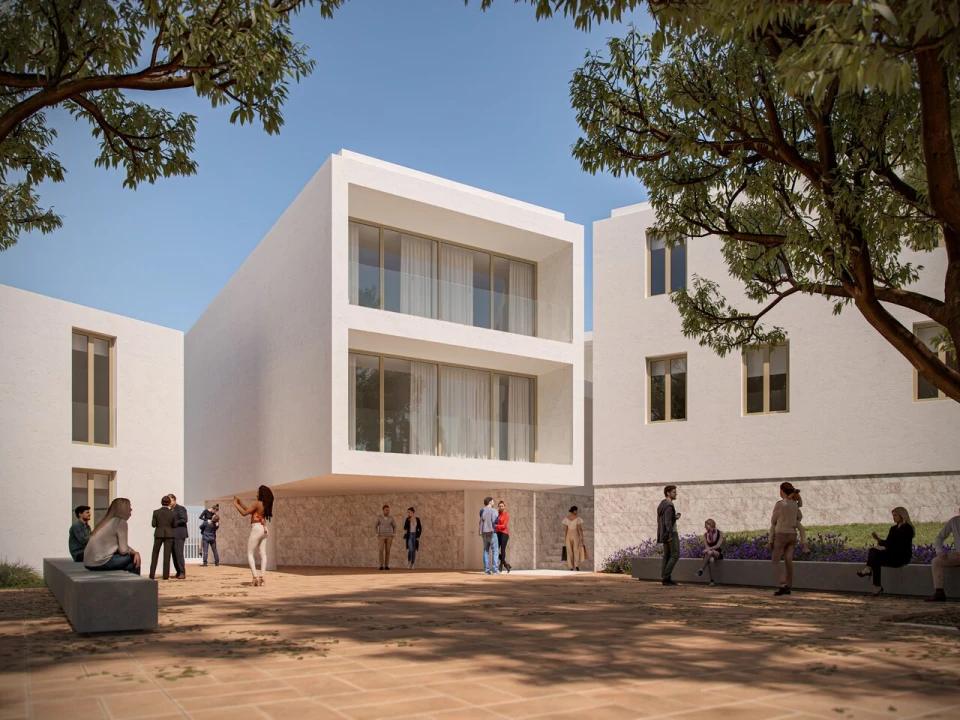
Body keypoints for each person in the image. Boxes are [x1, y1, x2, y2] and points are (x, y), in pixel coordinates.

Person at [856, 507, 914, 596]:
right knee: (874, 554)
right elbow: (888, 542)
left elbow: (901, 545)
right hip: (891, 554)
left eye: (895, 515)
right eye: (893, 515)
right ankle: (877, 585)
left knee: (875, 555)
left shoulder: (907, 528)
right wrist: (878, 539)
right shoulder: (893, 528)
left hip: (901, 556)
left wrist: (886, 548)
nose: (893, 517)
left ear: (902, 516)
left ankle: (868, 570)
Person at [767, 482, 809, 596]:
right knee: (788, 560)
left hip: (781, 534)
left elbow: (773, 520)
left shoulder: (780, 504)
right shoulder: (794, 504)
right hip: (792, 535)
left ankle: (783, 583)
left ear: (782, 491)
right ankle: (789, 586)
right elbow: (799, 517)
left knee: (775, 560)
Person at [83, 498, 141, 574]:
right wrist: (135, 553)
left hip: (88, 563)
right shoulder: (121, 522)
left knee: (129, 563)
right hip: (99, 563)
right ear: (123, 509)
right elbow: (123, 550)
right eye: (129, 507)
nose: (131, 509)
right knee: (133, 559)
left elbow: (122, 547)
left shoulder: (105, 522)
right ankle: (136, 584)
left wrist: (133, 551)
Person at [233, 485, 273, 586]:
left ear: (261, 494)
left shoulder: (257, 503)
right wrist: (240, 503)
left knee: (250, 553)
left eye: (258, 492)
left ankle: (255, 577)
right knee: (263, 554)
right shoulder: (265, 504)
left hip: (257, 528)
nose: (256, 494)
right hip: (264, 529)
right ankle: (262, 577)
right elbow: (250, 511)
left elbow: (244, 513)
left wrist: (235, 504)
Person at [927, 506, 960, 602]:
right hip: (956, 555)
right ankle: (939, 592)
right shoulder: (954, 521)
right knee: (936, 561)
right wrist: (939, 551)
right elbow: (939, 537)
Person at [657, 485, 681, 586]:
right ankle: (666, 577)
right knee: (675, 555)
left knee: (667, 555)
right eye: (674, 492)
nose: (676, 494)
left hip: (664, 533)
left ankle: (665, 577)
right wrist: (670, 534)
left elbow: (667, 518)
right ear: (668, 493)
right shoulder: (669, 505)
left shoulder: (662, 504)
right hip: (671, 533)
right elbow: (667, 521)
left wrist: (675, 517)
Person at [150, 495, 176, 580]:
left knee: (155, 554)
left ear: (161, 502)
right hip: (169, 534)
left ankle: (152, 574)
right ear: (169, 503)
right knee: (167, 555)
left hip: (158, 533)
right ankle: (165, 575)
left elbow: (153, 525)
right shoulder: (172, 513)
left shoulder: (156, 512)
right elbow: (174, 525)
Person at [168, 493, 189, 579]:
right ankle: (178, 572)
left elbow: (184, 519)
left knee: (179, 554)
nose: (169, 502)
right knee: (174, 554)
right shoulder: (170, 510)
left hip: (179, 534)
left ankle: (182, 572)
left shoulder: (180, 508)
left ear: (174, 500)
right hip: (172, 535)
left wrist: (174, 523)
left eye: (170, 500)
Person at [696, 519, 723, 586]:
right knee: (711, 559)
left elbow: (718, 545)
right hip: (709, 553)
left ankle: (701, 569)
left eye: (706, 525)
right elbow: (706, 546)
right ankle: (712, 580)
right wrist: (708, 550)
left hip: (717, 552)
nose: (705, 527)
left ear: (711, 525)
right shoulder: (705, 535)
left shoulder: (720, 533)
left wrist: (709, 550)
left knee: (711, 552)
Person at [479, 497, 500, 575]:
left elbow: (482, 520)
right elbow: (496, 521)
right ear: (490, 502)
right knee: (495, 551)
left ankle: (486, 570)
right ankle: (495, 569)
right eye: (493, 501)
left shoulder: (481, 510)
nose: (493, 502)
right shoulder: (494, 511)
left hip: (484, 532)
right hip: (492, 532)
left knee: (486, 550)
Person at [562, 506, 585, 571]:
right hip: (575, 534)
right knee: (576, 550)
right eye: (576, 511)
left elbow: (565, 529)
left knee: (569, 551)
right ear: (574, 511)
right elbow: (580, 529)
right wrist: (582, 537)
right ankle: (577, 566)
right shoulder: (578, 518)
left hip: (568, 535)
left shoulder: (566, 518)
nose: (577, 512)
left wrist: (565, 537)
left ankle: (570, 567)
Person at [375, 504, 397, 571]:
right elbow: (375, 526)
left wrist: (393, 534)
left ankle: (386, 565)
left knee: (388, 551)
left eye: (388, 510)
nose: (387, 511)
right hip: (381, 536)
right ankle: (381, 565)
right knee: (380, 551)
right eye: (386, 510)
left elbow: (394, 526)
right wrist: (376, 534)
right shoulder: (379, 517)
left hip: (389, 537)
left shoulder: (391, 518)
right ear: (383, 510)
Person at [496, 500, 511, 573]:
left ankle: (501, 565)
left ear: (504, 506)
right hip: (498, 533)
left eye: (502, 506)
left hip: (504, 534)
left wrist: (496, 526)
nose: (501, 507)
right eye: (499, 506)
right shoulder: (497, 514)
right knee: (495, 550)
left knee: (502, 549)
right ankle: (505, 564)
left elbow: (504, 526)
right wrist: (497, 527)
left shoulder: (506, 514)